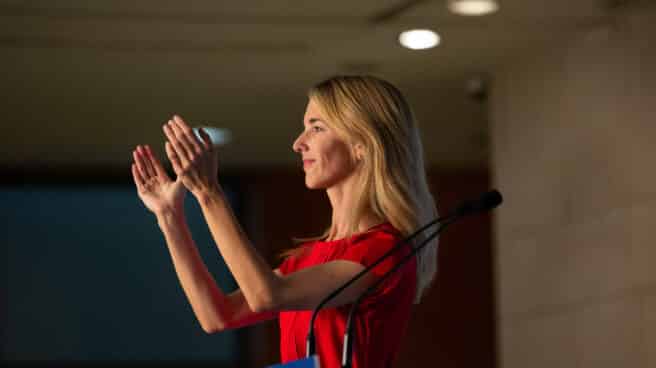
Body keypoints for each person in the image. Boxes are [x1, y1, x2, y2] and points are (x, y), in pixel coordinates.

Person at [130, 75, 438, 368]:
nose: (298, 143)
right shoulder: (309, 258)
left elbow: (266, 296)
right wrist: (170, 218)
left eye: (316, 128)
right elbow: (217, 316)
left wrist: (210, 194)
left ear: (362, 144)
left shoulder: (382, 249)